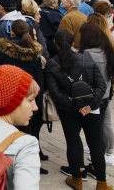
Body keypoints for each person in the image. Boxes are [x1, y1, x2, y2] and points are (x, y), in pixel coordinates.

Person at [44, 30, 109, 190]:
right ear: (73, 43)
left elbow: (55, 92)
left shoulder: (53, 64)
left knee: (73, 141)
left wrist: (74, 106)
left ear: (55, 44)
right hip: (91, 109)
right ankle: (102, 182)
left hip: (68, 110)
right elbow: (101, 85)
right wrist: (90, 105)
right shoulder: (86, 58)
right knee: (95, 145)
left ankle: (77, 179)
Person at [0, 19, 47, 172]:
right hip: (26, 100)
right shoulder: (34, 55)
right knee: (26, 134)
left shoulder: (3, 51)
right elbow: (39, 82)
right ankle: (26, 165)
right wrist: (37, 104)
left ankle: (2, 164)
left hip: (6, 98)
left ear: (11, 32)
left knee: (4, 133)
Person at [78, 23, 114, 170]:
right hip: (105, 96)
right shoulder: (107, 51)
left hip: (93, 98)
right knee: (103, 125)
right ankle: (106, 155)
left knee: (95, 132)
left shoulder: (87, 54)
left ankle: (97, 163)